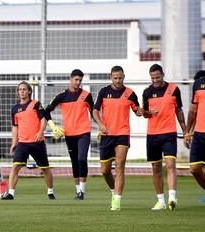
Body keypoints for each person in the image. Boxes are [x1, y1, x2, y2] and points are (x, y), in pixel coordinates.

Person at [44, 69, 106, 200]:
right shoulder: (61, 96)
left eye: (80, 80)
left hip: (83, 132)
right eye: (76, 80)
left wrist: (101, 126)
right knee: (74, 162)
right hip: (69, 134)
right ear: (70, 79)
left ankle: (82, 191)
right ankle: (78, 190)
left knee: (82, 159)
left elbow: (94, 113)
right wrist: (53, 126)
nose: (78, 83)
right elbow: (46, 111)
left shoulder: (87, 95)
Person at [92, 65, 142, 211]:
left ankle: (117, 201)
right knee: (105, 171)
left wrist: (142, 111)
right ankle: (114, 191)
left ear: (124, 77)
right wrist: (100, 124)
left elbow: (137, 111)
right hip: (107, 134)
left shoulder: (130, 93)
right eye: (115, 78)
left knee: (120, 165)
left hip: (122, 134)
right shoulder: (103, 91)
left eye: (120, 78)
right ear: (110, 77)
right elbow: (95, 111)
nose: (118, 80)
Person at [141, 64, 187, 211]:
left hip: (169, 133)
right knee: (155, 168)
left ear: (163, 75)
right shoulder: (147, 92)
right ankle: (160, 200)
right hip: (152, 134)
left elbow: (179, 111)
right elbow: (144, 114)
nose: (155, 80)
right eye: (153, 78)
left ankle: (172, 198)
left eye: (158, 77)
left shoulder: (174, 89)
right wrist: (148, 112)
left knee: (170, 165)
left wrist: (185, 130)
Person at [0, 81, 56, 200]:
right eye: (20, 90)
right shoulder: (15, 109)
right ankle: (11, 193)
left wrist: (41, 132)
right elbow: (15, 127)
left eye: (24, 89)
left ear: (29, 91)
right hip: (23, 143)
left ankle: (50, 192)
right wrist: (14, 143)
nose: (22, 91)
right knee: (15, 167)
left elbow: (43, 119)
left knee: (45, 168)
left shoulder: (36, 104)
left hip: (37, 142)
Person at [185, 70, 205, 192]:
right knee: (194, 168)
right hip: (199, 134)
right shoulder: (197, 85)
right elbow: (193, 111)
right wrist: (188, 132)